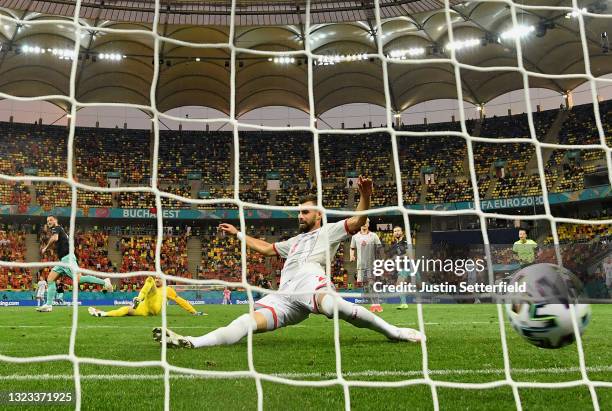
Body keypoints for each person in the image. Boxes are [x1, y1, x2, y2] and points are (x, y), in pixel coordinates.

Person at [153, 177, 425, 348]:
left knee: (335, 306)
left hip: (310, 282)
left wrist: (365, 197)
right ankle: (191, 342)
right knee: (244, 322)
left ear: (318, 216)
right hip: (285, 297)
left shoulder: (327, 231)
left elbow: (357, 221)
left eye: (305, 212)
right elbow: (268, 249)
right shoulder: (293, 242)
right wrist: (238, 234)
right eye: (298, 213)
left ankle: (394, 331)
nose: (300, 216)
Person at [37, 216, 112, 312]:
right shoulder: (61, 230)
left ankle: (104, 282)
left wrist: (45, 247)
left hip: (67, 259)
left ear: (56, 220)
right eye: (47, 221)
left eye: (51, 220)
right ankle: (48, 305)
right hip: (64, 260)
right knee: (50, 279)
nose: (49, 222)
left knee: (79, 279)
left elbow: (55, 238)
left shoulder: (57, 228)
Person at [88, 276, 205, 317]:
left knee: (149, 280)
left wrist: (194, 312)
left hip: (154, 306)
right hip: (145, 308)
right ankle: (103, 314)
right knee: (126, 309)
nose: (157, 279)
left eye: (159, 278)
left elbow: (180, 301)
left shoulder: (168, 289)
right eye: (157, 278)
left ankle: (138, 299)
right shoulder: (151, 287)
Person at [350, 218, 383, 312]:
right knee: (365, 285)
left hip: (371, 264)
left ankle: (376, 304)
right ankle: (372, 301)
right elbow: (352, 248)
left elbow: (380, 248)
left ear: (368, 224)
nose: (364, 223)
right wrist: (352, 256)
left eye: (366, 222)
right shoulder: (355, 237)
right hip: (360, 265)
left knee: (371, 283)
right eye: (362, 222)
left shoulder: (374, 236)